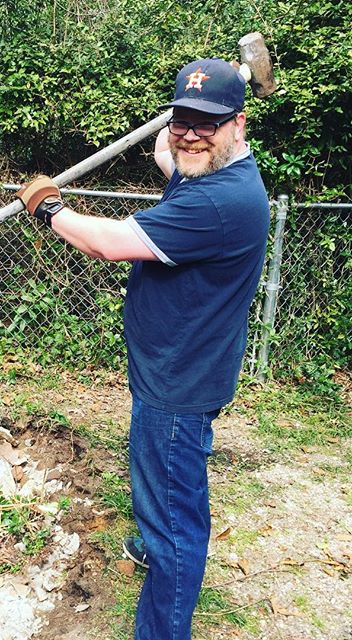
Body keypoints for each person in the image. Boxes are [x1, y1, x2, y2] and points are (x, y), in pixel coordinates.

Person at [15, 58, 270, 640]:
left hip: (178, 382)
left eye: (208, 124)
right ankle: (159, 537)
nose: (189, 134)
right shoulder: (207, 172)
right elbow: (166, 151)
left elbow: (108, 243)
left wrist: (51, 208)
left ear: (240, 126)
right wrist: (200, 105)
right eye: (182, 118)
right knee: (166, 480)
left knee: (177, 521)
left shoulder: (218, 202)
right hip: (180, 368)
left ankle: (162, 619)